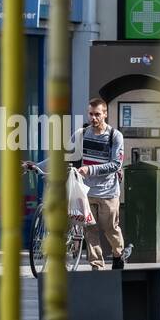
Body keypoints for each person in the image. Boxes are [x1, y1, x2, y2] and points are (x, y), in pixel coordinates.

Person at [24, 97, 126, 270]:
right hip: (85, 190)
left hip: (108, 192)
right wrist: (36, 165)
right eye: (90, 114)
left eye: (97, 114)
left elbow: (116, 164)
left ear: (105, 114)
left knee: (110, 229)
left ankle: (118, 254)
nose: (93, 118)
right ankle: (97, 266)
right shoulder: (81, 134)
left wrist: (90, 170)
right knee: (90, 230)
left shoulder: (115, 136)